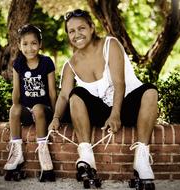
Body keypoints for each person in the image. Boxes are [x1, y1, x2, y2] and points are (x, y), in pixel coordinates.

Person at [48, 9, 158, 189]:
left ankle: (142, 161)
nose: (77, 35)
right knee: (76, 96)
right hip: (99, 114)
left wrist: (115, 114)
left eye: (81, 28)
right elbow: (63, 96)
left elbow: (119, 83)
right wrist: (55, 118)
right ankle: (86, 159)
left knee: (151, 92)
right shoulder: (70, 65)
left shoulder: (110, 44)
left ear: (92, 28)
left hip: (126, 107)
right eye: (72, 31)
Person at [4, 24, 57, 182]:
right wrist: (14, 116)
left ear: (40, 44)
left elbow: (53, 92)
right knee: (14, 109)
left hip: (44, 110)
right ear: (20, 46)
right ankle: (17, 153)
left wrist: (56, 117)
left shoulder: (47, 62)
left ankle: (44, 153)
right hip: (28, 110)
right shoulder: (18, 64)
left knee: (37, 108)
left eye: (34, 43)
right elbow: (16, 91)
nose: (29, 48)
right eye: (25, 44)